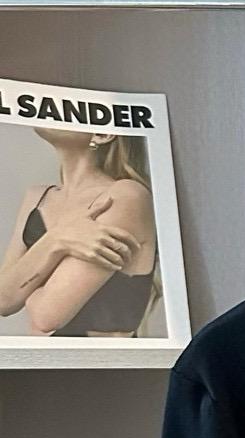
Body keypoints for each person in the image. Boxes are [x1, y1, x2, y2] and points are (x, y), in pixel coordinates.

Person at [0, 127, 157, 336]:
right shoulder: (37, 197)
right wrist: (57, 239)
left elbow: (46, 316)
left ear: (102, 134)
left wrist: (21, 282)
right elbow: (3, 301)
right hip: (44, 355)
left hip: (99, 358)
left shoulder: (125, 196)